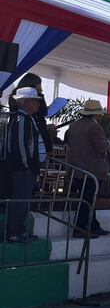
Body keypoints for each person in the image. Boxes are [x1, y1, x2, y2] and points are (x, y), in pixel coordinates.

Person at [2, 87, 46, 244]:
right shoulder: (22, 120)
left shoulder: (26, 119)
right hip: (22, 169)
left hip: (25, 168)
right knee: (19, 200)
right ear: (26, 103)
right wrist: (27, 166)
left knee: (24, 200)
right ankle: (13, 232)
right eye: (35, 101)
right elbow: (20, 145)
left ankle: (19, 230)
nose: (38, 105)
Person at [66, 99, 109, 239]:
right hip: (92, 169)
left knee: (87, 198)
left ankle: (93, 225)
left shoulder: (74, 126)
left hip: (77, 168)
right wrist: (107, 143)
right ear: (96, 114)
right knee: (89, 200)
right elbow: (101, 148)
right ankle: (79, 227)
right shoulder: (94, 127)